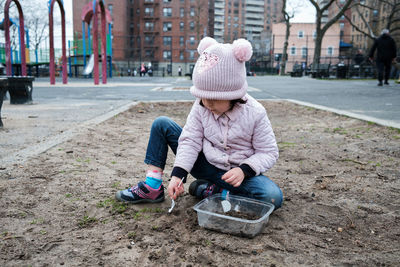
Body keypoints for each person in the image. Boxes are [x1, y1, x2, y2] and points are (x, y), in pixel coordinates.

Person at [115, 37, 283, 210]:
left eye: (213, 99)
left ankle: (213, 191)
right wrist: (178, 175)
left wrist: (244, 170)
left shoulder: (255, 112)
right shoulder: (201, 106)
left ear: (233, 95)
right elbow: (190, 140)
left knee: (272, 197)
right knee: (161, 124)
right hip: (206, 166)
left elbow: (268, 152)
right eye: (202, 97)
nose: (207, 103)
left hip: (238, 176)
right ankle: (152, 186)